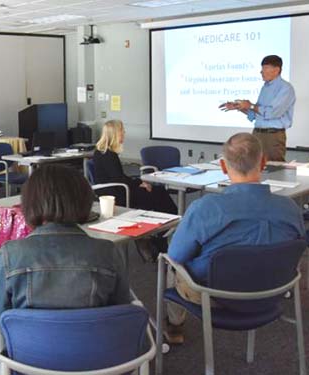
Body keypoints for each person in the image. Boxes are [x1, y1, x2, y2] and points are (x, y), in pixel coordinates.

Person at [165, 133, 305, 344]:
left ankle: (175, 327)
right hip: (274, 289)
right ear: (264, 162)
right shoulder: (290, 209)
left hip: (213, 295)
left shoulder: (205, 208)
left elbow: (176, 255)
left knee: (168, 263)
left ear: (222, 166)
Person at [0, 164, 131, 324]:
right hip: (99, 346)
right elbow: (122, 312)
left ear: (29, 203)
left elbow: (1, 318)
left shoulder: (10, 254)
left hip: (27, 347)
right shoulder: (108, 251)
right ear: (84, 201)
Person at [219, 55, 295, 161]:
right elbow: (256, 114)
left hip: (272, 137)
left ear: (277, 70)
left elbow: (272, 113)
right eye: (262, 68)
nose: (261, 72)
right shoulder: (265, 88)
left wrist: (250, 105)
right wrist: (239, 107)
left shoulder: (285, 88)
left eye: (265, 68)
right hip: (257, 134)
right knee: (255, 167)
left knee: (274, 169)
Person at [93, 119, 177, 214]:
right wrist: (139, 183)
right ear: (115, 134)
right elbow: (119, 179)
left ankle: (168, 220)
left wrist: (138, 182)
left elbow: (118, 177)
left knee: (155, 191)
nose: (124, 132)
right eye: (122, 130)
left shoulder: (101, 151)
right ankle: (175, 220)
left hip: (113, 190)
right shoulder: (109, 155)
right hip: (117, 192)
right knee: (158, 192)